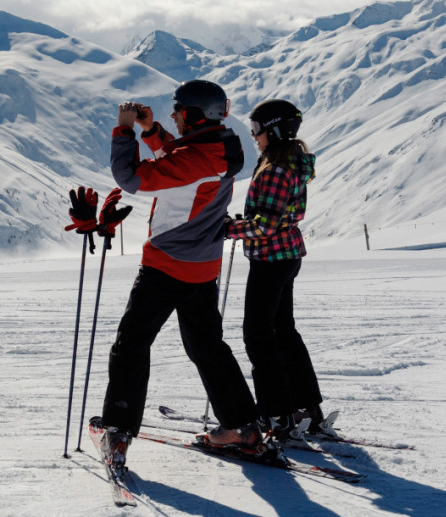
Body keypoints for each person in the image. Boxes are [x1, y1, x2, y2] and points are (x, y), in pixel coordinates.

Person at [96, 80, 263, 468]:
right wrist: (152, 131)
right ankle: (243, 427)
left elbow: (131, 178)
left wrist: (123, 130)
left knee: (131, 347)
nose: (173, 116)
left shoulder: (195, 159)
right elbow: (180, 155)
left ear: (193, 114)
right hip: (203, 266)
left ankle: (118, 433)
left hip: (167, 266)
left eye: (177, 111)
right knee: (207, 347)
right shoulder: (222, 145)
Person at [224, 99, 328, 438]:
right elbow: (276, 217)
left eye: (257, 130)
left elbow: (265, 225)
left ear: (276, 131)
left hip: (270, 259)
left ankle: (276, 415)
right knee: (283, 332)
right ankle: (306, 407)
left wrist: (229, 228)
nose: (254, 136)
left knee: (258, 335)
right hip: (287, 255)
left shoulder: (274, 170)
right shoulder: (294, 163)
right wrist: (246, 224)